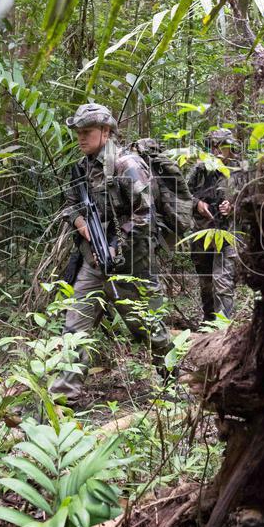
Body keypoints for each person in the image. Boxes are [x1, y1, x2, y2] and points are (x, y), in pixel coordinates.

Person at [51, 103, 172, 404]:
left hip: (132, 264)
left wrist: (118, 244)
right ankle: (64, 398)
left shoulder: (126, 164)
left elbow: (145, 214)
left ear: (106, 132)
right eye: (77, 132)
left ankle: (175, 381)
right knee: (75, 325)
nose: (80, 138)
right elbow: (70, 205)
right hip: (94, 260)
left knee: (148, 326)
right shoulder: (81, 168)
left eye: (87, 132)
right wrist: (80, 224)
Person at [186, 128, 244, 326]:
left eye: (222, 146)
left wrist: (233, 206)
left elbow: (251, 200)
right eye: (213, 145)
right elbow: (182, 194)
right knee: (206, 281)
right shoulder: (199, 169)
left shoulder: (239, 171)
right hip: (202, 232)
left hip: (228, 233)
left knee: (223, 281)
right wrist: (197, 204)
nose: (217, 150)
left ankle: (221, 328)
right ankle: (208, 323)